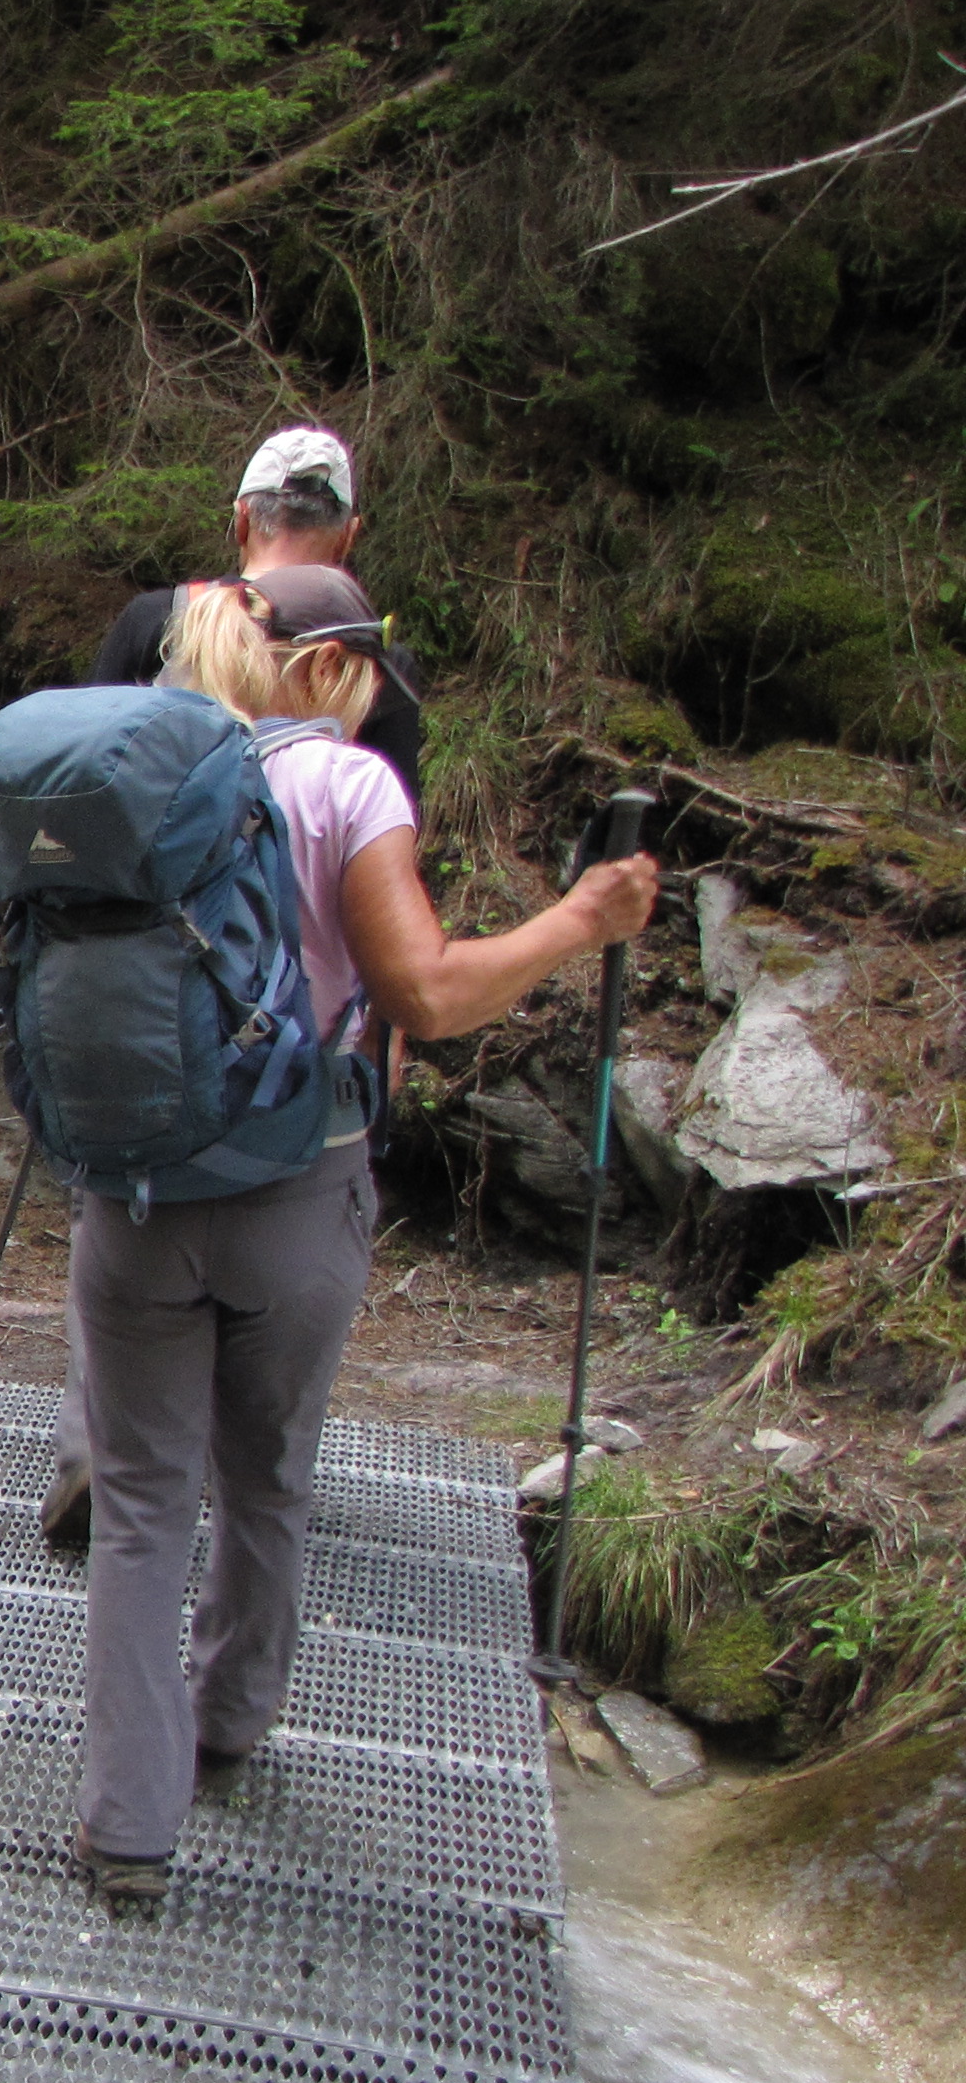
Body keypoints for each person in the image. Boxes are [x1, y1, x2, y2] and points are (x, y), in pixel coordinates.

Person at [63, 565, 655, 1904]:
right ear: (331, 669)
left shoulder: (132, 769)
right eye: (375, 678)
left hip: (134, 1200)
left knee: (143, 1506)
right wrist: (582, 919)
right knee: (266, 1476)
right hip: (297, 1193)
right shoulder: (348, 785)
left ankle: (127, 1827)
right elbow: (425, 995)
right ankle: (228, 1722)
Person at [48, 425, 426, 1550]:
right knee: (277, 1243)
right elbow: (386, 883)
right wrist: (389, 1043)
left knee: (127, 1218)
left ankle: (105, 1452)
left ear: (240, 519)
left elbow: (76, 813)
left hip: (137, 1011)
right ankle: (238, 1483)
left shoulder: (151, 628)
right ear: (349, 534)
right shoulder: (366, 670)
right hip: (300, 1040)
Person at [89, 427, 424, 802]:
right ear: (349, 534)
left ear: (242, 520)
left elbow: (83, 764)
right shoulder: (375, 661)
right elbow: (397, 813)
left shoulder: (157, 618)